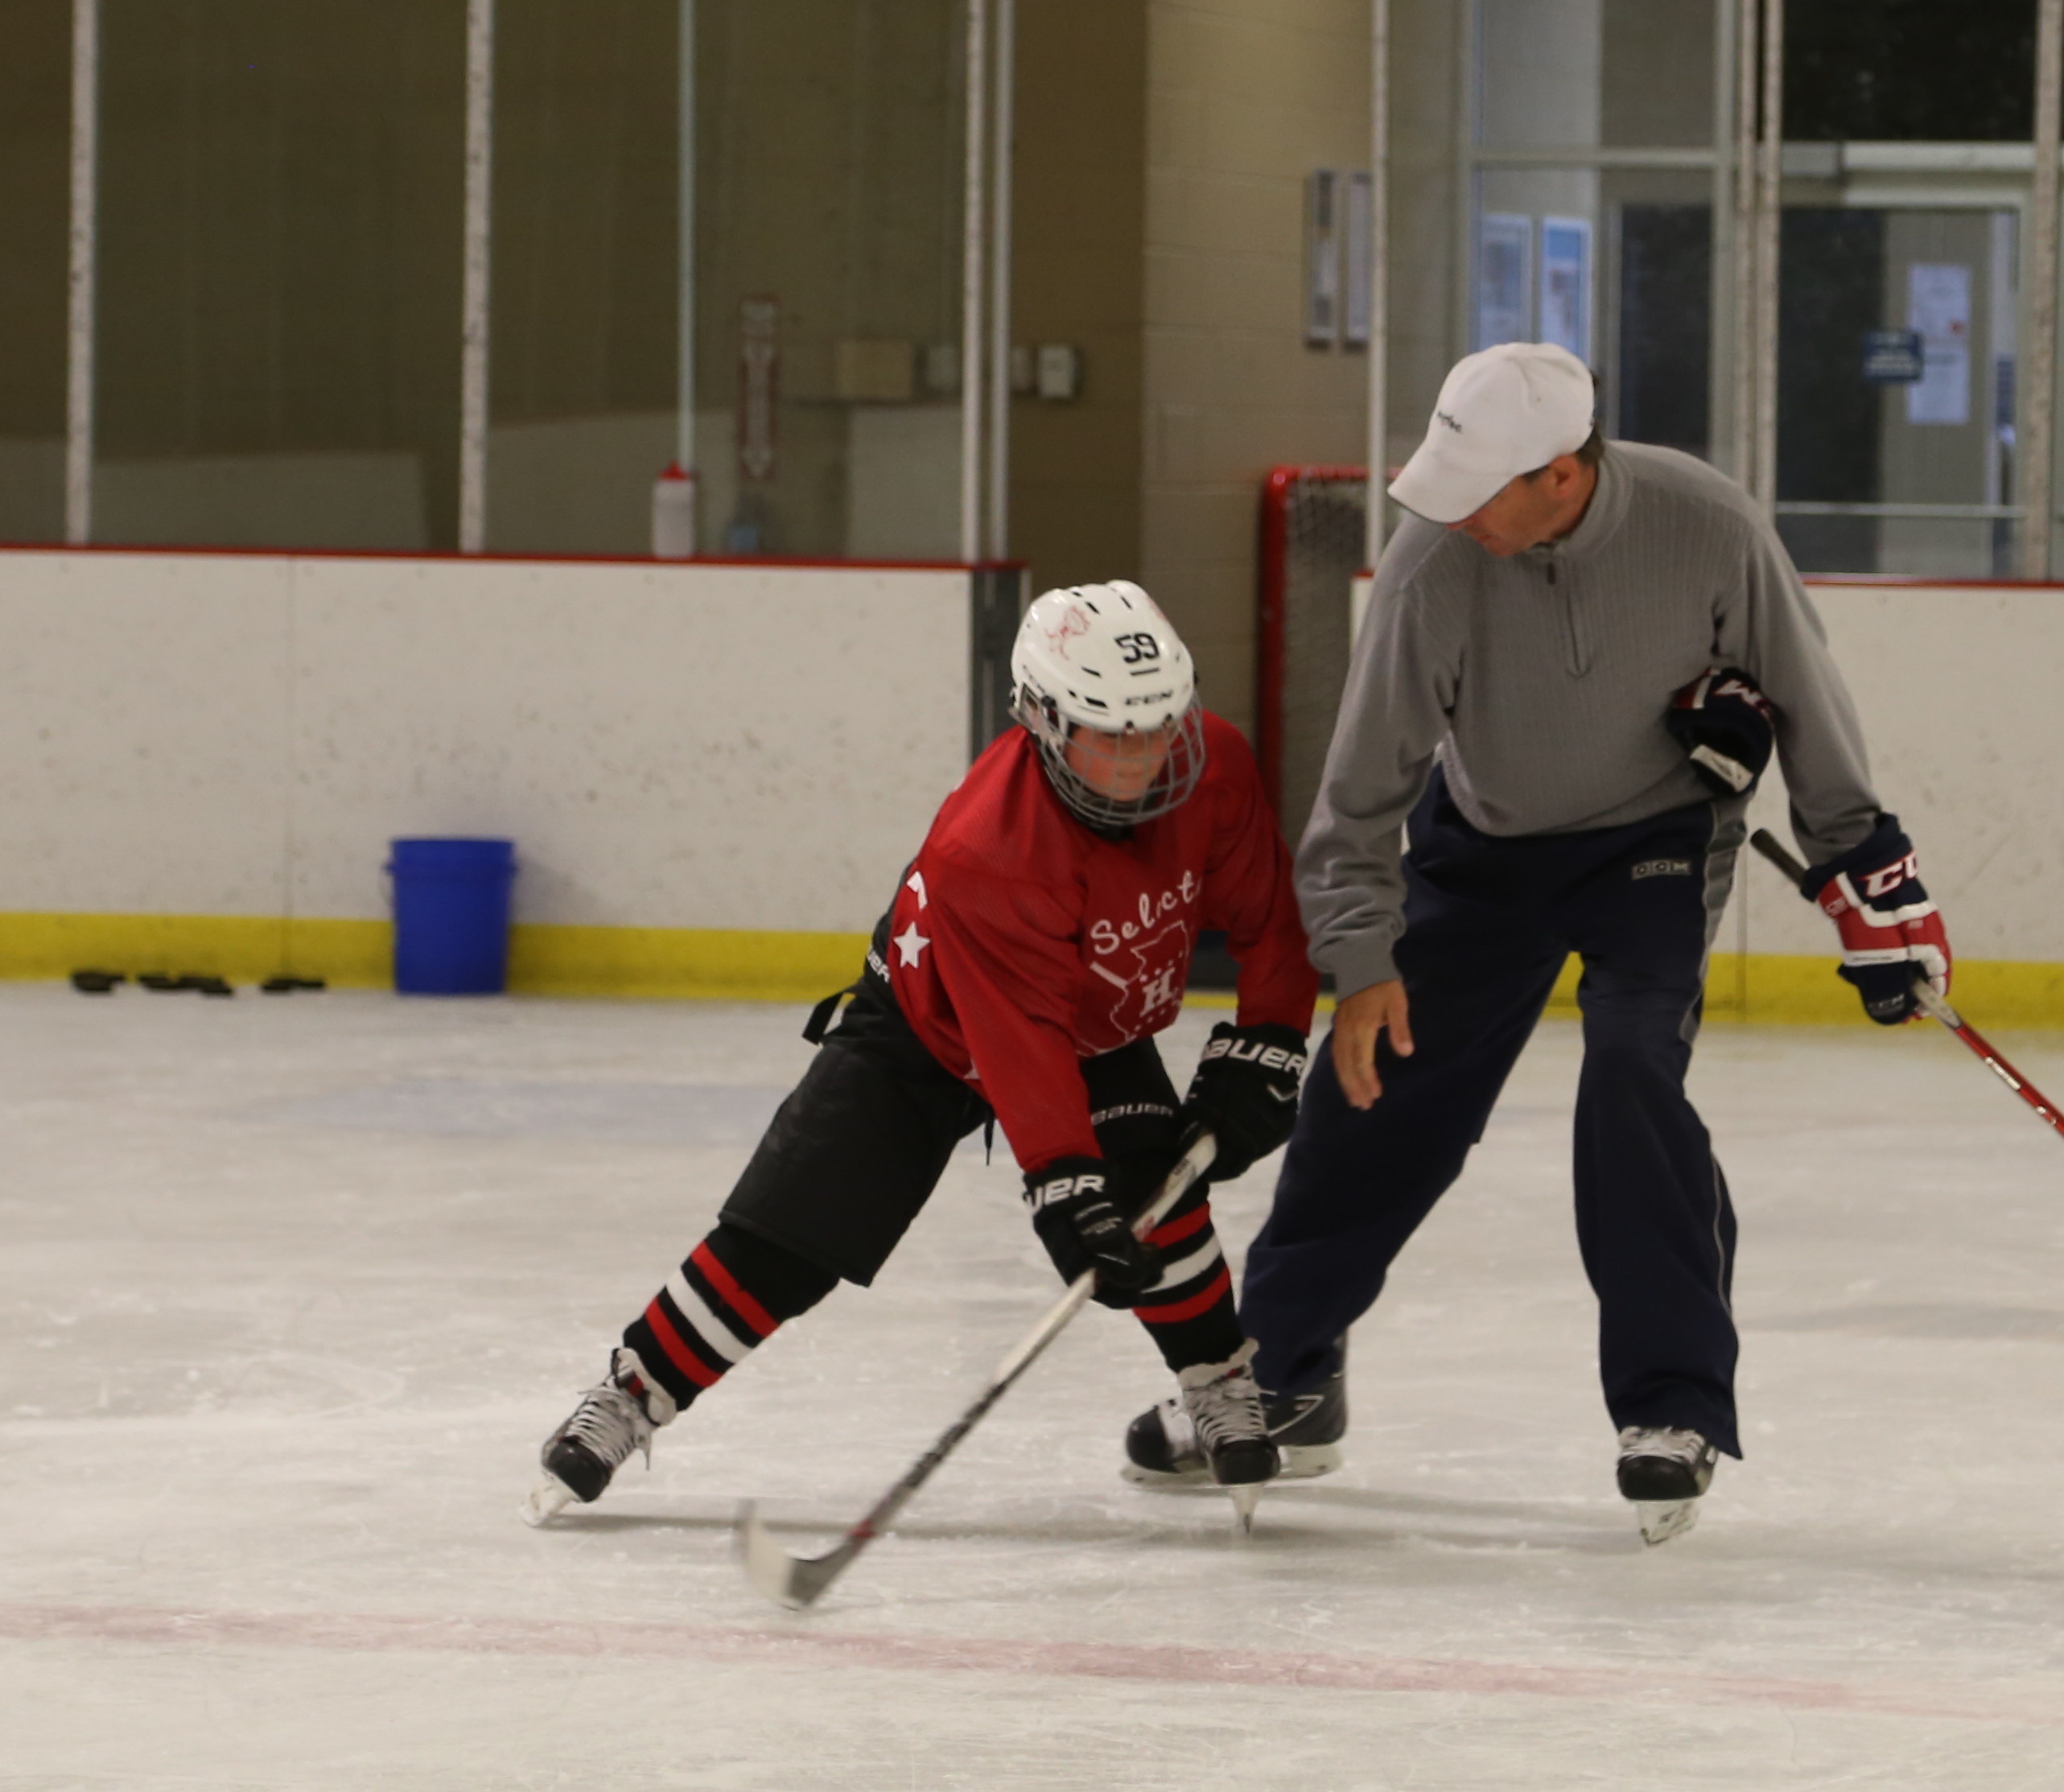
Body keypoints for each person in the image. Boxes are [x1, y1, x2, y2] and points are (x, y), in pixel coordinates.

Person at [1119, 343, 1948, 1543]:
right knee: (1375, 1089)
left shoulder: (1707, 523)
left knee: (1631, 1069)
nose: (1451, 515)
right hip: (1484, 846)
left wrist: (1865, 869)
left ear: (1562, 475)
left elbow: (1806, 695)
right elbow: (1356, 800)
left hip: (1655, 846)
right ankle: (1288, 1374)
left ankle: (1673, 1407)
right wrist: (1360, 965)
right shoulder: (1432, 565)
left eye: (1479, 490)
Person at [532, 580, 1321, 1521]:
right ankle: (629, 1395)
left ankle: (1218, 1386)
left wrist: (1267, 1040)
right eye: (1114, 735)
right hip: (924, 1027)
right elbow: (1021, 1038)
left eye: (1159, 725)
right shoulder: (985, 849)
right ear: (1043, 719)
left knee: (1159, 1200)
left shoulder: (1214, 766)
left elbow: (1269, 919)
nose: (1148, 757)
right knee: (789, 1234)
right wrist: (1065, 1181)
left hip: (1093, 1026)